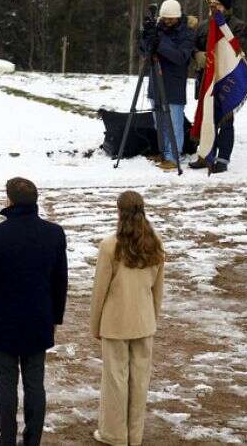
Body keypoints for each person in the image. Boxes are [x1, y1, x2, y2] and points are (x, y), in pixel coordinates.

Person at [0, 178, 68, 446]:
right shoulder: (54, 233)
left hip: (4, 322)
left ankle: (7, 440)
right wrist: (55, 317)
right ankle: (33, 440)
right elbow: (59, 280)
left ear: (10, 201)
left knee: (5, 385)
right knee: (34, 384)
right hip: (39, 318)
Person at [90, 191, 165, 446]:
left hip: (115, 322)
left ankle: (115, 434)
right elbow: (158, 288)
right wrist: (152, 318)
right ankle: (135, 435)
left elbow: (100, 290)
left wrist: (95, 324)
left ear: (119, 212)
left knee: (115, 380)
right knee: (139, 380)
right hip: (144, 321)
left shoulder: (110, 245)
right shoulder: (155, 243)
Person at [189, 0, 246, 174]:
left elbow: (236, 49)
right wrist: (197, 54)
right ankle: (206, 154)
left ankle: (223, 159)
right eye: (212, 4)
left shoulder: (238, 26)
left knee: (226, 120)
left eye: (218, 4)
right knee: (208, 118)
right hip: (206, 78)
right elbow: (193, 45)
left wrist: (220, 26)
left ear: (227, 7)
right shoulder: (204, 26)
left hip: (228, 78)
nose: (214, 8)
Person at [139, 0, 195, 170]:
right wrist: (146, 37)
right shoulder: (158, 30)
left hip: (174, 83)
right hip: (156, 81)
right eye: (165, 19)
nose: (167, 22)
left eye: (171, 19)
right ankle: (164, 152)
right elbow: (144, 51)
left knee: (174, 123)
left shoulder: (186, 33)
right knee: (159, 122)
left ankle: (174, 155)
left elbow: (180, 57)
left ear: (178, 17)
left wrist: (160, 43)